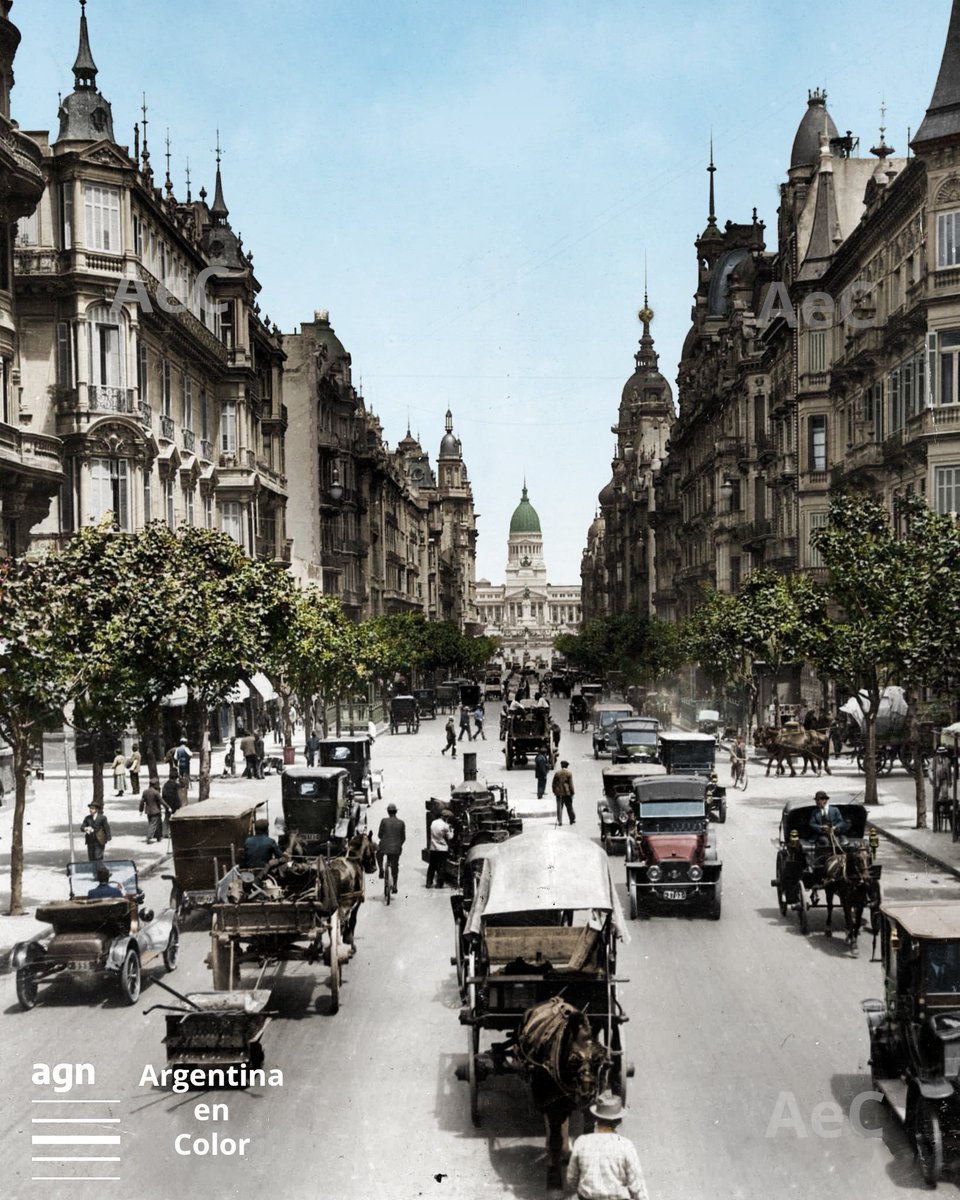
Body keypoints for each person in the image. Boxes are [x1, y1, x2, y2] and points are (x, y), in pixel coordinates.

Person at [566, 1090, 648, 1200]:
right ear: (618, 1121)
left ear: (596, 1118)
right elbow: (638, 1187)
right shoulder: (626, 1146)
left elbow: (571, 1179)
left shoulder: (581, 1142)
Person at [376, 803, 406, 892]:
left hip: (384, 846)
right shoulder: (401, 822)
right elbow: (403, 838)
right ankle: (395, 885)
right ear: (396, 812)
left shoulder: (384, 821)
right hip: (396, 848)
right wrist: (398, 844)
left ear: (388, 812)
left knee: (378, 854)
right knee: (395, 866)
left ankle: (381, 870)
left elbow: (379, 835)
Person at [426, 808, 453, 888]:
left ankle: (428, 883)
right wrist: (452, 831)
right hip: (442, 849)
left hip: (433, 848)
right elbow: (450, 837)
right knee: (442, 867)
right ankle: (439, 884)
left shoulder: (433, 823)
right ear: (446, 817)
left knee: (432, 866)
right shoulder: (446, 826)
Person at [139, 777, 164, 843]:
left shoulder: (145, 792)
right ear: (155, 785)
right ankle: (149, 837)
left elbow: (142, 802)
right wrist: (168, 807)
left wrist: (141, 810)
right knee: (154, 824)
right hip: (156, 811)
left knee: (155, 823)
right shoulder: (156, 792)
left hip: (148, 811)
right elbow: (162, 801)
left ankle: (159, 837)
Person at [552, 760, 575, 825]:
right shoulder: (569, 773)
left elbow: (553, 783)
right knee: (569, 807)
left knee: (559, 807)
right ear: (567, 766)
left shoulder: (557, 773)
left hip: (559, 793)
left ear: (561, 765)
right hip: (567, 793)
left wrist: (554, 791)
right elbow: (571, 784)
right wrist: (572, 793)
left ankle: (560, 821)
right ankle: (572, 819)